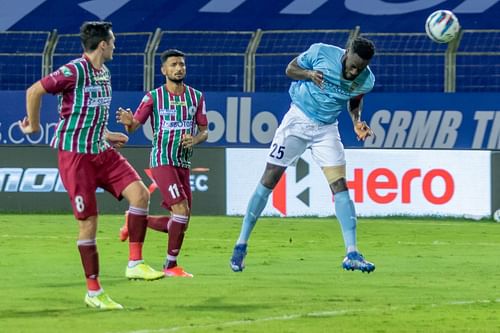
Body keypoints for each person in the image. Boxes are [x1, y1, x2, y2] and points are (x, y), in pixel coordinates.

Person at [18, 21, 165, 310]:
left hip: (100, 149)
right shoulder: (74, 70)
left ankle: (135, 263)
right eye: (113, 41)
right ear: (102, 45)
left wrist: (109, 134)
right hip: (75, 156)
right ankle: (94, 292)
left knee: (140, 195)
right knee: (88, 224)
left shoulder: (105, 73)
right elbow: (35, 91)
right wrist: (34, 126)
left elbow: (88, 112)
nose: (115, 46)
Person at [230, 36, 377, 273]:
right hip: (298, 121)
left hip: (326, 129)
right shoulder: (320, 53)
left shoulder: (366, 80)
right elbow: (291, 69)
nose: (354, 71)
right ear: (347, 51)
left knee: (340, 185)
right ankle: (241, 244)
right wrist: (309, 75)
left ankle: (352, 253)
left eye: (359, 68)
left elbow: (354, 100)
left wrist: (357, 121)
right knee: (269, 179)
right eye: (352, 64)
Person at [116, 49, 208, 278]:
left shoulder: (196, 97)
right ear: (164, 70)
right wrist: (129, 123)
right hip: (162, 160)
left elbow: (204, 130)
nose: (179, 68)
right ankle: (170, 266)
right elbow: (135, 125)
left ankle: (136, 220)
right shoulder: (153, 97)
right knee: (181, 210)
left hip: (183, 163)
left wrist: (195, 138)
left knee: (182, 221)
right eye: (174, 65)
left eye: (182, 65)